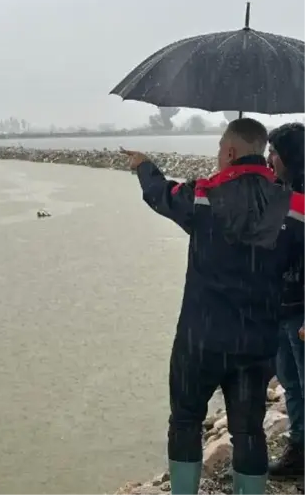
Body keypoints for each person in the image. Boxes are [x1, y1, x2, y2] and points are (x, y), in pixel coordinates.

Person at [122, 118, 305, 495]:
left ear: (232, 152)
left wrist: (144, 166)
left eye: (220, 150)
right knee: (249, 430)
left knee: (186, 422)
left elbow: (161, 194)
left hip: (200, 339)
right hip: (256, 343)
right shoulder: (295, 208)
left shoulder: (202, 197)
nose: (218, 157)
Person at [266, 123, 305, 478]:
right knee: (290, 383)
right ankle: (299, 449)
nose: (269, 158)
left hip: (301, 312)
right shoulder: (280, 191)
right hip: (281, 306)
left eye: (274, 151)